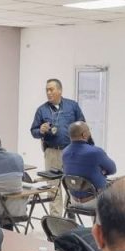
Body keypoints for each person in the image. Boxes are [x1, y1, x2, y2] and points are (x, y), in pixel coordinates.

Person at [30, 78, 85, 215]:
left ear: (60, 90)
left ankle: (71, 214)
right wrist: (40, 130)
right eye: (46, 90)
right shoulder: (42, 110)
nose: (48, 92)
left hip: (71, 152)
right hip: (52, 152)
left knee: (72, 183)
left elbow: (82, 125)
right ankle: (56, 219)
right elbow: (33, 131)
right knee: (53, 186)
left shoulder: (72, 106)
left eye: (51, 89)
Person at [61, 121, 116, 210]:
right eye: (89, 130)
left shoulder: (64, 152)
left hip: (73, 201)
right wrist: (101, 171)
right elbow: (113, 169)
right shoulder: (96, 152)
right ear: (84, 134)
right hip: (95, 201)